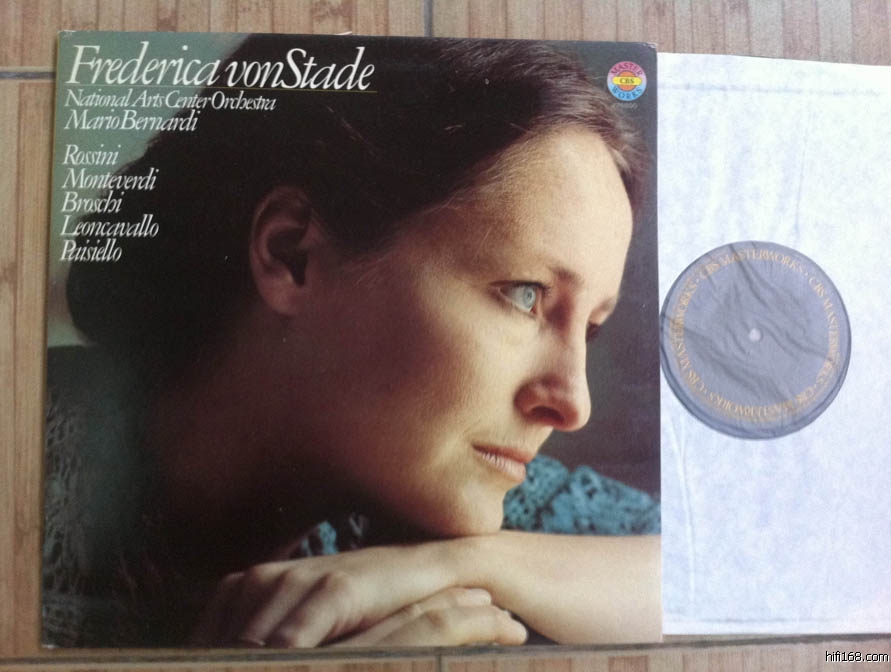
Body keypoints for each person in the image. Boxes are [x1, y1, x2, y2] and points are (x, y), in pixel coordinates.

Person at [43, 35, 660, 648]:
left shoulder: (428, 498)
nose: (573, 403)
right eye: (525, 295)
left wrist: (463, 565)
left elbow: (705, 570)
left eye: (591, 327)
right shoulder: (30, 478)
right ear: (293, 256)